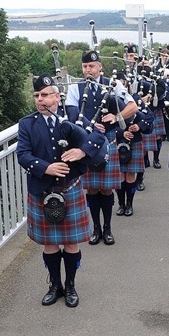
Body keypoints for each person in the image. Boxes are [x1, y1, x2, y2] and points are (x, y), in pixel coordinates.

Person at [17, 74, 107, 307]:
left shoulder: (73, 115)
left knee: (71, 243)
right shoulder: (27, 123)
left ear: (57, 96)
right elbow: (23, 154)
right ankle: (54, 285)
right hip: (42, 190)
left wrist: (82, 152)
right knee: (49, 244)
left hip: (70, 187)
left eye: (45, 95)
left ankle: (70, 286)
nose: (40, 100)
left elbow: (99, 137)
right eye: (37, 95)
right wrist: (46, 167)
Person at [64, 50, 138, 246]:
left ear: (99, 67)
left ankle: (108, 228)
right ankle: (95, 228)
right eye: (85, 66)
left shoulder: (113, 85)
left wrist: (117, 117)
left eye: (92, 66)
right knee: (92, 189)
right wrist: (90, 123)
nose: (88, 69)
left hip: (109, 142)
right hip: (86, 144)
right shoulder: (75, 88)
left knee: (106, 190)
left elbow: (133, 106)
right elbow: (72, 114)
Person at [113, 72, 154, 216]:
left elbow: (149, 117)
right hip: (117, 142)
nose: (121, 86)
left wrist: (139, 126)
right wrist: (120, 133)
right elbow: (105, 123)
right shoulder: (111, 101)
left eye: (123, 83)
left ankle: (129, 204)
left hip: (134, 142)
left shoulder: (136, 99)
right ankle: (121, 204)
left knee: (130, 176)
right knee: (119, 176)